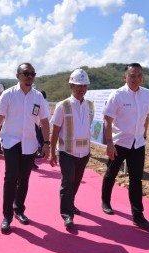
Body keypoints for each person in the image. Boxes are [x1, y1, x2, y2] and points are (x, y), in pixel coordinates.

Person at [0, 62, 50, 233]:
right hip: (11, 142)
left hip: (30, 144)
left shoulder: (38, 97)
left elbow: (44, 122)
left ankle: (19, 209)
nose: (30, 76)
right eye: (26, 73)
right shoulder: (8, 95)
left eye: (32, 73)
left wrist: (46, 144)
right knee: (11, 177)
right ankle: (7, 215)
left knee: (24, 179)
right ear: (18, 75)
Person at [101, 63, 149, 229]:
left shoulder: (147, 94)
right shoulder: (117, 95)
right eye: (132, 76)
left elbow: (146, 116)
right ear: (125, 77)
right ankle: (105, 201)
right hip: (120, 142)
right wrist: (109, 143)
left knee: (136, 179)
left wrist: (144, 133)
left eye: (139, 76)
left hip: (138, 143)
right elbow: (107, 120)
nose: (135, 79)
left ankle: (138, 215)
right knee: (111, 173)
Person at [49, 69, 94, 228]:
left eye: (84, 86)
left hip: (84, 153)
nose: (81, 89)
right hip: (67, 152)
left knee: (76, 181)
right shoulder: (63, 105)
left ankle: (71, 203)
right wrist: (51, 152)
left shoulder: (89, 105)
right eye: (78, 86)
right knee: (67, 182)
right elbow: (55, 130)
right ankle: (67, 214)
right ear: (71, 86)